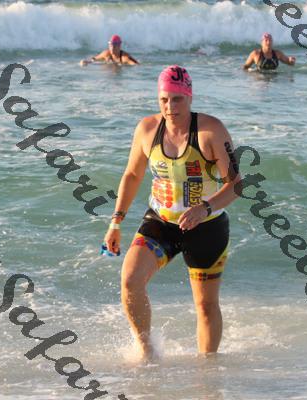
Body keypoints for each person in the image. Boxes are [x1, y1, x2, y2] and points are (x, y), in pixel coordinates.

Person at [103, 65, 241, 359]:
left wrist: (205, 208)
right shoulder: (147, 130)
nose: (170, 107)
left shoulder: (210, 131)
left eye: (177, 99)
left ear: (190, 97)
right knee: (130, 281)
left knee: (205, 305)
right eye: (164, 99)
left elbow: (236, 185)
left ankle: (208, 370)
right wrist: (116, 221)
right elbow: (132, 175)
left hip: (206, 227)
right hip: (161, 222)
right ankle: (147, 352)